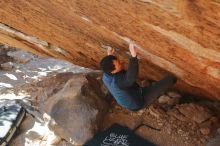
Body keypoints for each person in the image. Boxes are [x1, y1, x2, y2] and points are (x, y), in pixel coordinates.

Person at [100, 43, 177, 111]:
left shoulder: (106, 75)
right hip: (138, 102)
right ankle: (171, 84)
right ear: (113, 71)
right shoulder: (119, 82)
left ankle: (146, 87)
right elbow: (130, 79)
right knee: (170, 79)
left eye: (119, 61)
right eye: (119, 64)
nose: (121, 63)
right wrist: (133, 56)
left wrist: (109, 55)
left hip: (132, 93)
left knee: (145, 86)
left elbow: (109, 65)